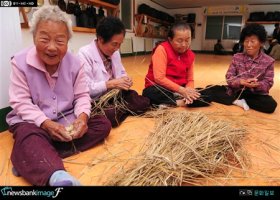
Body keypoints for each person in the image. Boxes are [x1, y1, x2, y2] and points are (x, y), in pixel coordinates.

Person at [6, 6, 111, 186]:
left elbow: (82, 96)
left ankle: (32, 158)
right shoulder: (20, 62)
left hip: (65, 120)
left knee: (102, 124)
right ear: (34, 38)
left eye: (60, 41)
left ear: (68, 42)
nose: (52, 47)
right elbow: (21, 102)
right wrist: (46, 124)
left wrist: (82, 118)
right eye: (45, 39)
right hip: (33, 123)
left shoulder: (75, 63)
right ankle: (56, 176)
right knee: (27, 134)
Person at [78, 17, 150, 127]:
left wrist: (126, 79)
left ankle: (122, 111)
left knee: (143, 102)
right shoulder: (84, 54)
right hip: (98, 99)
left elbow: (121, 73)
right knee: (111, 115)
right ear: (101, 39)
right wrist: (110, 84)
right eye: (114, 44)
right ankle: (121, 111)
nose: (117, 48)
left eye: (120, 44)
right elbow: (85, 88)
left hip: (116, 95)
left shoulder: (114, 53)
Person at [205, 23, 277, 113]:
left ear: (261, 43)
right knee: (209, 88)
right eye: (246, 41)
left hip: (254, 94)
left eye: (252, 41)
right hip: (235, 90)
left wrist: (257, 84)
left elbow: (268, 83)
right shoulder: (237, 57)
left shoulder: (269, 61)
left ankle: (236, 100)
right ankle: (237, 100)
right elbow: (229, 77)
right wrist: (241, 82)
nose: (248, 45)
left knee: (270, 105)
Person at [142, 21, 210, 108]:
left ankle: (169, 103)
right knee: (149, 93)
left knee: (207, 95)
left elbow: (190, 80)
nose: (184, 45)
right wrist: (182, 91)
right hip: (160, 88)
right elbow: (159, 78)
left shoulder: (191, 55)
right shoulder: (162, 49)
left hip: (179, 90)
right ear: (170, 39)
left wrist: (189, 90)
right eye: (179, 40)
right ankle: (180, 103)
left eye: (187, 40)